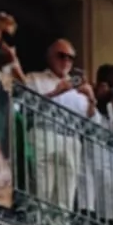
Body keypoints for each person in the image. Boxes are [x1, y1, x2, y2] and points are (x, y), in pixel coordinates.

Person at [22, 39, 97, 212]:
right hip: (44, 134)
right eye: (61, 56)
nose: (66, 61)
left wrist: (91, 99)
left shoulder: (80, 91)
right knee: (42, 190)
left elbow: (92, 125)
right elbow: (25, 106)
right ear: (50, 57)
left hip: (70, 140)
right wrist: (56, 93)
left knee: (66, 195)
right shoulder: (34, 78)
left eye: (71, 58)